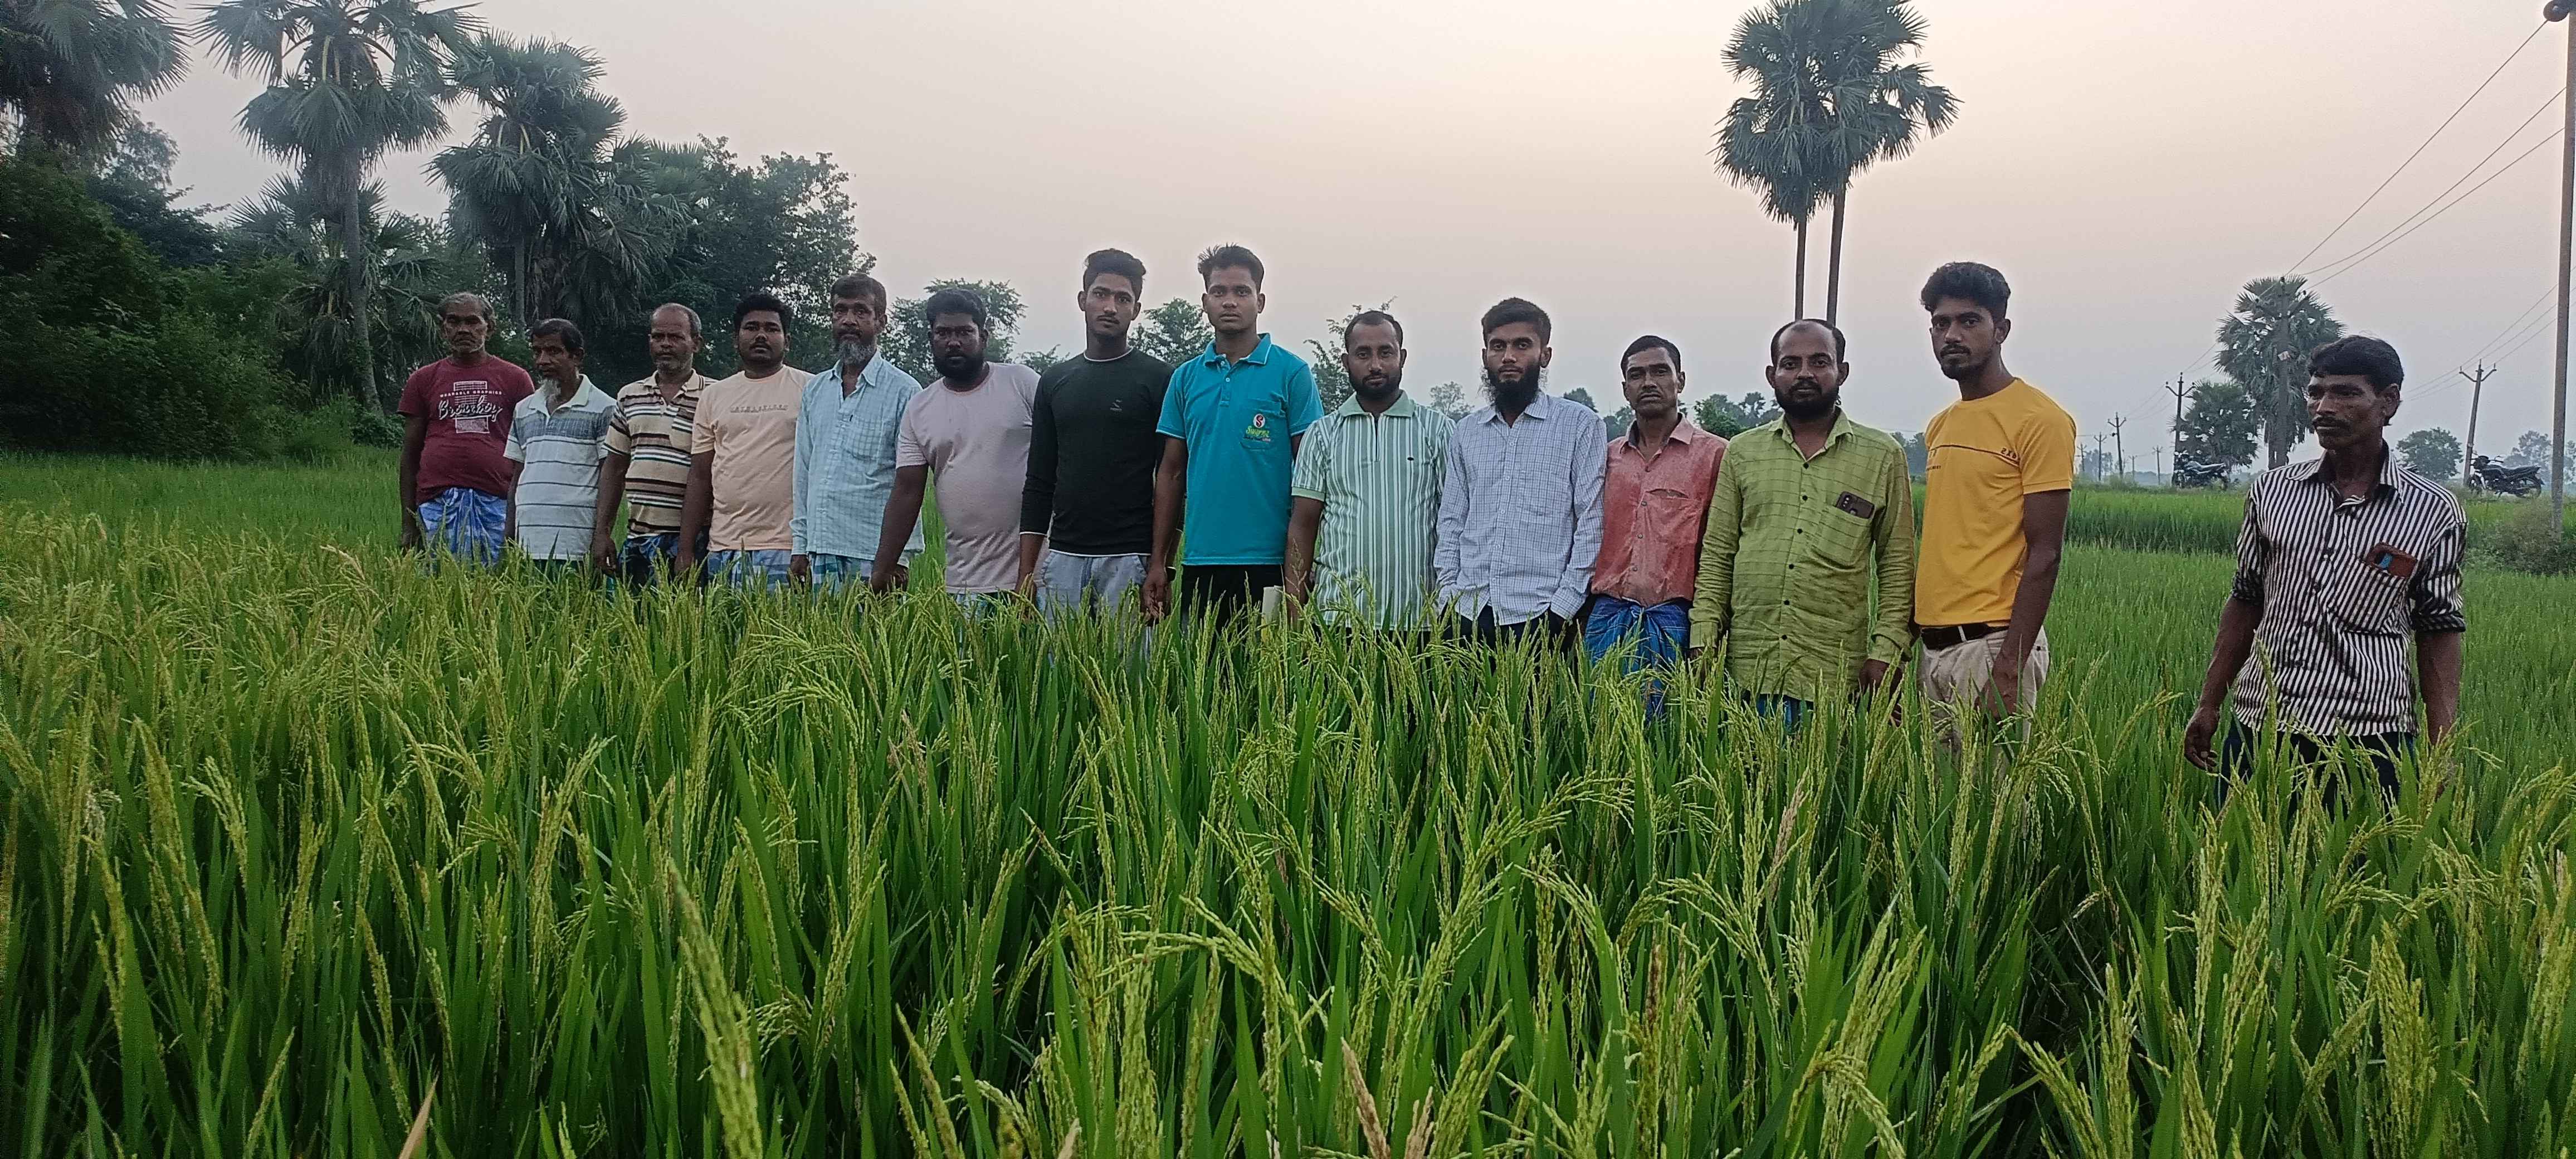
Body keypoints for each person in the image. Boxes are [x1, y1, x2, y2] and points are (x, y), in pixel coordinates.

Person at [2184, 336, 2465, 797]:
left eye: (2346, 393)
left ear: (2388, 401)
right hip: (2262, 721)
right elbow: (2246, 599)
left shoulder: (2433, 510)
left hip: (2372, 734)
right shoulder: (2272, 493)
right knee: (2239, 843)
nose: (2324, 407)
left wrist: (2442, 745)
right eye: (2316, 393)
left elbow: (2439, 628)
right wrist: (2210, 702)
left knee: (2364, 846)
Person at [1692, 320, 1916, 729]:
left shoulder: (1882, 456)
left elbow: (1897, 565)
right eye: (1791, 364)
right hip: (1748, 670)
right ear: (1772, 375)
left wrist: (1887, 652)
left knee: (1829, 772)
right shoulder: (1742, 452)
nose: (1805, 374)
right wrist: (1704, 637)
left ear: (1842, 372)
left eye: (1819, 362)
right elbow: (1718, 554)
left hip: (1834, 675)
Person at [1912, 262, 2074, 733]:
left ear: (2001, 330)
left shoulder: (2039, 420)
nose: (1951, 336)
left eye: (1969, 321)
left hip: (1992, 648)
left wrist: (2009, 669)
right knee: (1942, 784)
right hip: (1935, 650)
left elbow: (2046, 552)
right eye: (1941, 324)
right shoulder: (1941, 425)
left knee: (1995, 784)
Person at [1143, 245, 1323, 622]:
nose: (1230, 302)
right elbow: (1171, 473)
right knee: (1201, 661)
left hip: (1271, 563)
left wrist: (1302, 568)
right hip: (1200, 561)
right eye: (1219, 292)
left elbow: (1312, 475)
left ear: (1260, 301)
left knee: (1270, 662)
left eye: (1242, 292)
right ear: (1205, 302)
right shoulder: (1186, 378)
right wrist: (1159, 561)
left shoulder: (1292, 373)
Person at [1435, 297, 1607, 645]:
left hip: (1542, 613)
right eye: (1498, 346)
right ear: (1485, 355)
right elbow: (1452, 520)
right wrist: (1447, 595)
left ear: (1545, 355)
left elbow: (1592, 521)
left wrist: (1563, 608)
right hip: (1468, 610)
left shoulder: (1579, 425)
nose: (1509, 357)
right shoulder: (1467, 432)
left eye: (1522, 345)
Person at [1018, 249, 1170, 616]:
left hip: (1130, 558)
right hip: (1063, 557)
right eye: (1101, 294)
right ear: (1082, 300)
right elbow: (1039, 480)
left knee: (1129, 656)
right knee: (1059, 655)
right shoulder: (1056, 381)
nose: (1110, 308)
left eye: (1123, 299)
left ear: (1136, 309)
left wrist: (1160, 563)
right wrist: (1027, 573)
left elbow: (1172, 478)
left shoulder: (1159, 379)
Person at [1283, 310, 1451, 629]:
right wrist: (1295, 617)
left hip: (1419, 622)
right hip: (1337, 619)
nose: (1375, 365)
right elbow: (1303, 527)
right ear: (1346, 362)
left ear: (1402, 357)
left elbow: (1454, 526)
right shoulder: (1323, 434)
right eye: (1363, 354)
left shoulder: (1437, 430)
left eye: (1385, 353)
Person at [872, 288, 1041, 606]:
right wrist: (882, 569)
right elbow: (907, 491)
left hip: (1036, 577)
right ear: (931, 339)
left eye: (964, 332)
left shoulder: (1022, 384)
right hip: (966, 582)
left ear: (983, 337)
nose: (953, 342)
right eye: (943, 333)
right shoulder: (920, 408)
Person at [1584, 335, 1724, 702]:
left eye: (1660, 372)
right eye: (1637, 375)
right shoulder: (1606, 458)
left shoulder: (1715, 456)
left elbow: (1724, 550)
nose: (1648, 382)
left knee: (1671, 729)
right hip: (1606, 618)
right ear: (1625, 389)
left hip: (1676, 621)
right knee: (1599, 722)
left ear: (1681, 380)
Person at [792, 274, 924, 594]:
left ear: (881, 322)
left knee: (876, 630)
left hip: (875, 555)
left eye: (861, 311)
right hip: (820, 547)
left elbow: (911, 484)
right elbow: (804, 472)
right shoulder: (816, 390)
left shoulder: (905, 392)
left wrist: (898, 559)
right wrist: (800, 545)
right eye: (840, 310)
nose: (849, 320)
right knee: (820, 629)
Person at [681, 293, 808, 587]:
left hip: (788, 548)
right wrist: (686, 549)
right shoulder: (714, 396)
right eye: (751, 328)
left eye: (771, 329)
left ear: (787, 341)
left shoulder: (812, 389)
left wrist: (808, 547)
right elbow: (700, 476)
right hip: (724, 548)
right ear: (735, 340)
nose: (761, 335)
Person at [398, 291, 534, 565]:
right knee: (439, 581)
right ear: (443, 329)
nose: (463, 329)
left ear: (489, 328)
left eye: (472, 322)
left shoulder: (515, 379)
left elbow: (529, 451)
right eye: (454, 322)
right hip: (437, 501)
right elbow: (410, 455)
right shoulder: (423, 379)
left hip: (497, 500)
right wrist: (408, 524)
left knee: (496, 580)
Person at [591, 304, 710, 584]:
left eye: (676, 337)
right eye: (658, 337)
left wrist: (687, 547)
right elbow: (614, 468)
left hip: (694, 540)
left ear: (696, 343)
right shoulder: (629, 396)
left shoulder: (715, 396)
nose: (665, 344)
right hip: (638, 538)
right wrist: (602, 532)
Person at [502, 318, 616, 574]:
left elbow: (609, 477)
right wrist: (509, 534)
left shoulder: (604, 408)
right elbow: (517, 477)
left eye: (554, 351)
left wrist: (602, 534)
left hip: (576, 543)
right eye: (537, 352)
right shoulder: (524, 409)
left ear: (577, 356)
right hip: (528, 541)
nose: (543, 361)